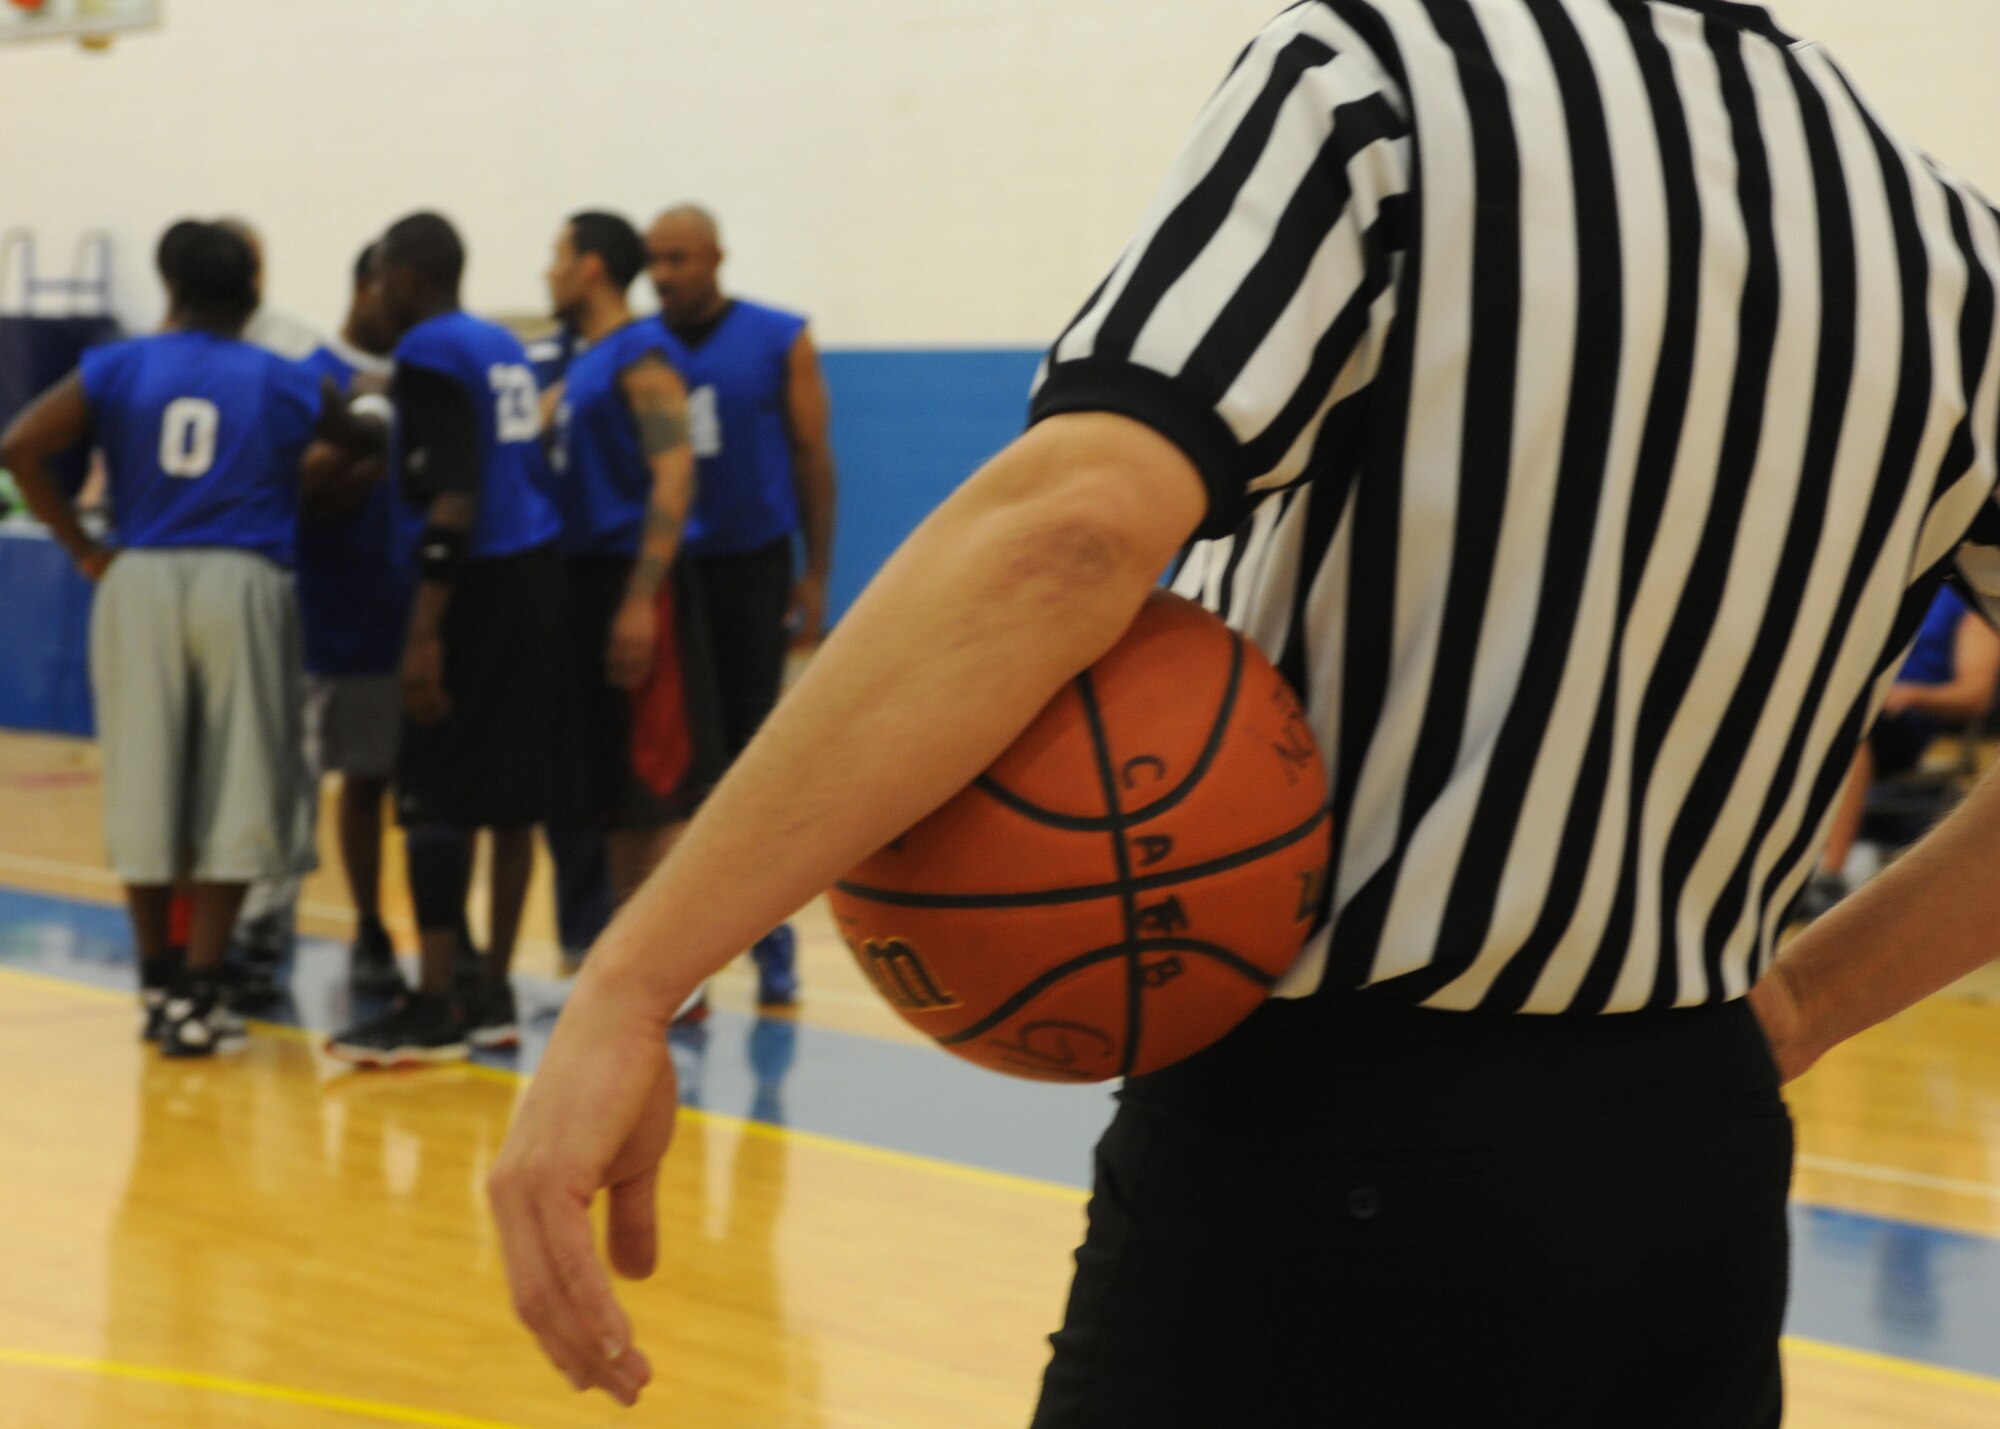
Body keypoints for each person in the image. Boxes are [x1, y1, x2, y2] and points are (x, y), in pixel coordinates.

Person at [488, 1, 2000, 1421]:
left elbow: (1075, 529)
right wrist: (1799, 1000)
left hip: (1332, 1146)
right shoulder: (1952, 249)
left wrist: (632, 980)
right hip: (1695, 1165)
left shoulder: (1380, 80)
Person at [0, 221, 373, 1057]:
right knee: (239, 781)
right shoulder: (283, 373)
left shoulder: (116, 365)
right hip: (243, 580)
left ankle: (159, 983)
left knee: (145, 777)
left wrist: (85, 546)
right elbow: (362, 439)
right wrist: (327, 468)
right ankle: (207, 986)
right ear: (249, 283)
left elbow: (19, 446)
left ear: (168, 283)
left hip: (141, 576)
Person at [324, 212, 565, 1068]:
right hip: (535, 573)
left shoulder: (425, 352)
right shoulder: (499, 343)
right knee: (512, 803)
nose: (374, 294)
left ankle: (432, 1005)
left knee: (432, 794)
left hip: (472, 586)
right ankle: (492, 992)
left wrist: (423, 632)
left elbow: (453, 495)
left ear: (409, 278)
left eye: (381, 277)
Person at [643, 203, 838, 1008]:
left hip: (748, 569)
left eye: (680, 258)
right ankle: (671, 959)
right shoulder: (633, 345)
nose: (664, 273)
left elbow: (811, 455)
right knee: (671, 769)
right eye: (654, 259)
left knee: (751, 769)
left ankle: (772, 939)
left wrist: (816, 571)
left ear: (716, 258)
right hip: (662, 574)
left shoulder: (777, 336)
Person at [542, 212, 721, 918]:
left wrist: (642, 598)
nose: (547, 272)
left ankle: (680, 981)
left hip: (635, 579)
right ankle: (622, 966)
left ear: (589, 266)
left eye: (556, 257)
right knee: (619, 791)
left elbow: (674, 474)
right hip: (585, 580)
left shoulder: (642, 353)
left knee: (661, 782)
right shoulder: (586, 360)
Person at [294, 242, 407, 996]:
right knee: (363, 779)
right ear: (368, 287)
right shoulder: (312, 374)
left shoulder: (430, 372)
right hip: (352, 609)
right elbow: (304, 489)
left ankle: (445, 931)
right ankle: (367, 925)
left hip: (432, 604)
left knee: (439, 790)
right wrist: (358, 457)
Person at [1801, 584, 2000, 917]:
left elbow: (1975, 696)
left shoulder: (1970, 596)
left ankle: (1828, 877)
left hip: (1903, 717)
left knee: (1850, 736)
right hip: (1847, 707)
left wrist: (1910, 695)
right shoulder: (1883, 584)